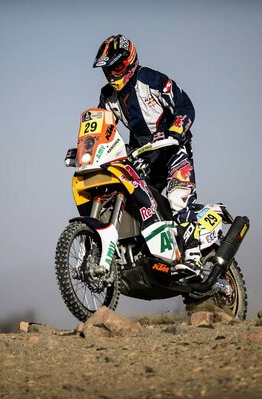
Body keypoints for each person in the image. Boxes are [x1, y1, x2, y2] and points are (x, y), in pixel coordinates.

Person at [93, 34, 201, 279]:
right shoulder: (107, 96)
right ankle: (146, 254)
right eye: (108, 69)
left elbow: (185, 105)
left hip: (172, 149)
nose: (112, 73)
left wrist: (177, 128)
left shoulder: (150, 79)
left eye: (116, 66)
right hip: (143, 155)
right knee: (133, 198)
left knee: (177, 197)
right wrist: (89, 148)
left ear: (130, 62)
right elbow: (102, 127)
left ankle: (193, 256)